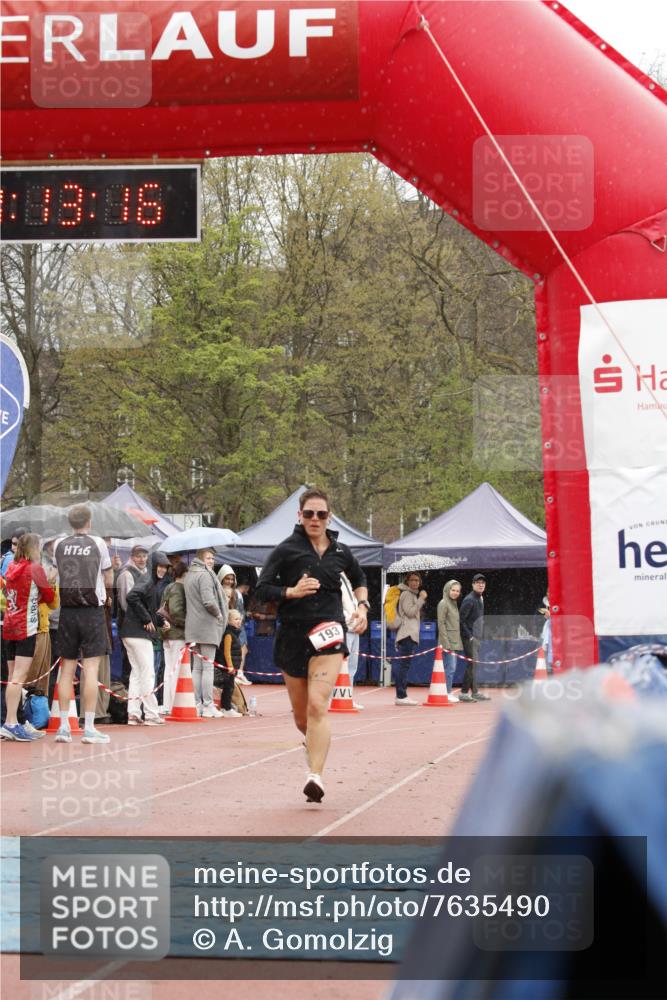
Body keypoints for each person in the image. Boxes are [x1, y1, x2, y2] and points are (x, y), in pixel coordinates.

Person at [255, 487, 369, 803]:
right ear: (300, 516)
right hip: (292, 637)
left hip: (329, 634)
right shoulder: (285, 550)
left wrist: (362, 608)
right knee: (302, 719)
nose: (315, 519)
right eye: (309, 514)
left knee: (319, 705)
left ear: (329, 517)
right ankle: (313, 744)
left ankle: (315, 777)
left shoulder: (341, 552)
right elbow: (262, 590)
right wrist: (290, 592)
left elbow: (360, 579)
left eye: (321, 514)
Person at [53, 505, 114, 744]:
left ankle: (63, 727)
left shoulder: (59, 544)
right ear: (88, 522)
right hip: (91, 610)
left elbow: (53, 574)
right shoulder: (98, 544)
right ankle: (88, 727)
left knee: (66, 670)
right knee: (90, 670)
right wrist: (105, 589)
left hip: (67, 610)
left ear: (71, 523)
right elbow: (108, 576)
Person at [1, 533, 56, 741]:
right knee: (19, 678)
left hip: (9, 624)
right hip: (26, 626)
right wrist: (49, 582)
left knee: (12, 676)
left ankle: (14, 719)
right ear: (34, 548)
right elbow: (49, 598)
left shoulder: (11, 567)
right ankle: (11, 723)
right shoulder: (35, 569)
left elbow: (9, 593)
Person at [121, 550, 169, 726]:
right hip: (138, 633)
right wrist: (147, 619)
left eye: (165, 567)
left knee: (137, 674)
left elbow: (145, 606)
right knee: (148, 673)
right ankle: (151, 713)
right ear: (153, 565)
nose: (163, 570)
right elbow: (131, 597)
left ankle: (133, 713)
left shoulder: (149, 581)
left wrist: (160, 621)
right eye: (160, 566)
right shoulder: (148, 580)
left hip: (129, 632)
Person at [184, 548, 227, 718]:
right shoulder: (205, 575)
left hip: (192, 627)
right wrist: (219, 614)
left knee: (197, 668)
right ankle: (208, 705)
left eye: (213, 558)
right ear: (201, 559)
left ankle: (196, 703)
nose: (212, 561)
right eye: (209, 558)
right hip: (207, 626)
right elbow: (209, 601)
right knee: (208, 667)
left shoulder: (189, 575)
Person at [394, 573, 427, 706]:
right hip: (406, 634)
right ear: (407, 581)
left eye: (417, 580)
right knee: (404, 666)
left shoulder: (411, 594)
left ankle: (402, 694)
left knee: (405, 666)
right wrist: (421, 599)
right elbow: (410, 612)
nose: (415, 582)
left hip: (409, 634)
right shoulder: (407, 594)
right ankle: (401, 695)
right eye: (412, 580)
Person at [160, 561, 188, 715]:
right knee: (176, 669)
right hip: (177, 634)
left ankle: (167, 703)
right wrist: (188, 624)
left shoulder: (168, 587)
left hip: (167, 633)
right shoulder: (179, 589)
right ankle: (172, 703)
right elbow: (176, 612)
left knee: (169, 669)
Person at [217, 564, 252, 686]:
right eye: (227, 578)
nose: (230, 581)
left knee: (240, 649)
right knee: (228, 650)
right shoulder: (217, 591)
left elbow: (239, 609)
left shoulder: (236, 594)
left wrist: (238, 620)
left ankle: (238, 673)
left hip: (235, 626)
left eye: (232, 579)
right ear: (221, 578)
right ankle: (233, 672)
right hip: (223, 627)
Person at [459, 573, 490, 702]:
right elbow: (461, 621)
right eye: (478, 582)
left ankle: (475, 692)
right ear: (473, 584)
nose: (481, 584)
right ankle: (464, 693)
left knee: (474, 665)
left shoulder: (480, 598)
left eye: (483, 582)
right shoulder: (469, 599)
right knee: (472, 665)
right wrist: (470, 636)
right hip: (470, 638)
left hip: (477, 637)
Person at [436, 580, 462, 703]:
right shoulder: (443, 603)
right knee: (450, 668)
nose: (455, 593)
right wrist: (446, 643)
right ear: (447, 590)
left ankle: (447, 691)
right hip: (447, 642)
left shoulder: (453, 603)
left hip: (453, 641)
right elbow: (441, 624)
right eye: (453, 590)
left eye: (457, 591)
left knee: (450, 668)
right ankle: (447, 692)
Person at [341, 570, 363, 709]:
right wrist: (349, 617)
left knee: (352, 666)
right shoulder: (335, 580)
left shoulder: (350, 583)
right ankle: (336, 696)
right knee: (342, 665)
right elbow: (335, 606)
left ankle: (347, 695)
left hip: (354, 630)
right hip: (344, 629)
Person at [215, 609, 244, 718]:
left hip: (232, 667)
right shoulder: (228, 635)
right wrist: (230, 666)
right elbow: (227, 652)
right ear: (229, 621)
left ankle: (226, 706)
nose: (239, 621)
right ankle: (226, 708)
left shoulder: (235, 633)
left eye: (240, 619)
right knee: (228, 687)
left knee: (230, 687)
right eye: (236, 619)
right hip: (228, 668)